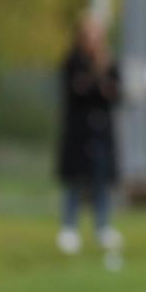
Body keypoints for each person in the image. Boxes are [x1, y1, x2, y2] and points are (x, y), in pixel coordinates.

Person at [56, 13, 122, 254]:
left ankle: (102, 227)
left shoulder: (109, 62)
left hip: (102, 131)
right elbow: (79, 92)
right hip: (78, 132)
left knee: (101, 180)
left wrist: (98, 84)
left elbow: (113, 94)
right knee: (75, 180)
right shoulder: (72, 61)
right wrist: (97, 85)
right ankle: (69, 228)